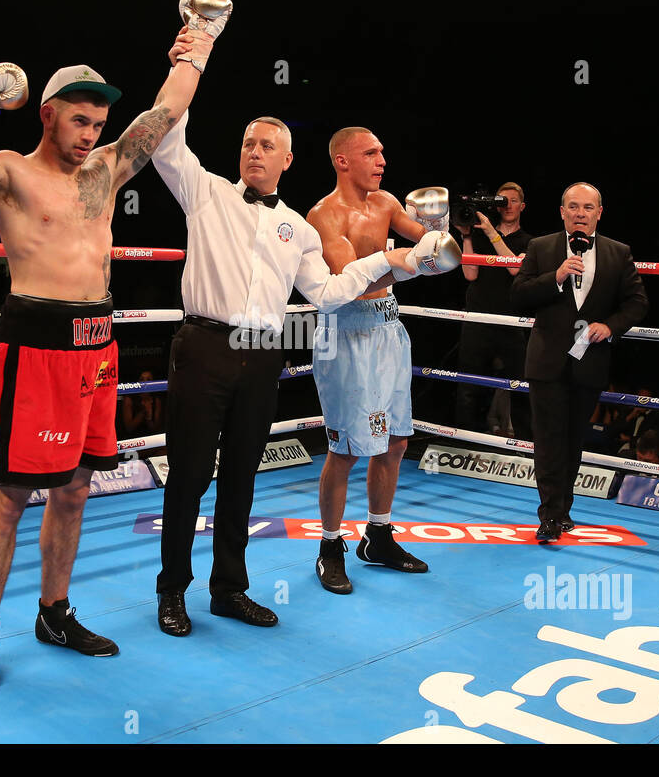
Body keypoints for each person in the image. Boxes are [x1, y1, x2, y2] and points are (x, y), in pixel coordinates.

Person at [0, 0, 224, 696]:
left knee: (78, 489)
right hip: (36, 345)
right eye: (79, 120)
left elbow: (166, 111)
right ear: (48, 115)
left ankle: (55, 613)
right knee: (11, 494)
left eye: (99, 121)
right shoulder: (10, 173)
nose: (91, 132)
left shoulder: (107, 170)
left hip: (97, 344)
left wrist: (199, 42)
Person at [150, 106, 455, 634]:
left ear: (287, 159)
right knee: (191, 477)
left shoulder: (295, 226)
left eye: (267, 146)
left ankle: (228, 590)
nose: (254, 151)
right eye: (248, 142)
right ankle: (172, 590)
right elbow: (165, 143)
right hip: (203, 344)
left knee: (241, 478)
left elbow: (331, 294)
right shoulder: (207, 192)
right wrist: (190, 62)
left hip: (262, 350)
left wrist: (390, 260)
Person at [306, 126, 448, 595]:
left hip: (390, 328)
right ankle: (329, 547)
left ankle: (379, 537)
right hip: (346, 333)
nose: (382, 159)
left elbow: (437, 255)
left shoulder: (387, 202)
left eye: (383, 152)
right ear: (342, 161)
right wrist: (406, 260)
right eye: (371, 153)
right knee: (345, 449)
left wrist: (440, 229)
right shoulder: (324, 216)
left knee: (396, 442)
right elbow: (349, 280)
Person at [509, 182, 648, 541]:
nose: (580, 214)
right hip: (547, 362)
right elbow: (518, 296)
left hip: (589, 361)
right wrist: (554, 278)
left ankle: (562, 509)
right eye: (573, 207)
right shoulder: (541, 247)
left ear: (599, 213)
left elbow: (637, 303)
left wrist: (610, 325)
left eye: (587, 208)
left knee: (573, 440)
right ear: (562, 212)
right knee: (549, 439)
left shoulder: (619, 253)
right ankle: (550, 515)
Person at [455, 182, 532, 438]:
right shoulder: (479, 235)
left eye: (512, 201)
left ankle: (524, 444)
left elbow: (514, 268)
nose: (507, 205)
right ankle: (466, 441)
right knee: (469, 386)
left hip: (511, 322)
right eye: (502, 200)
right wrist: (466, 235)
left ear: (522, 206)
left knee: (519, 386)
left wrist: (491, 233)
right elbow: (469, 273)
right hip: (477, 318)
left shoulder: (529, 242)